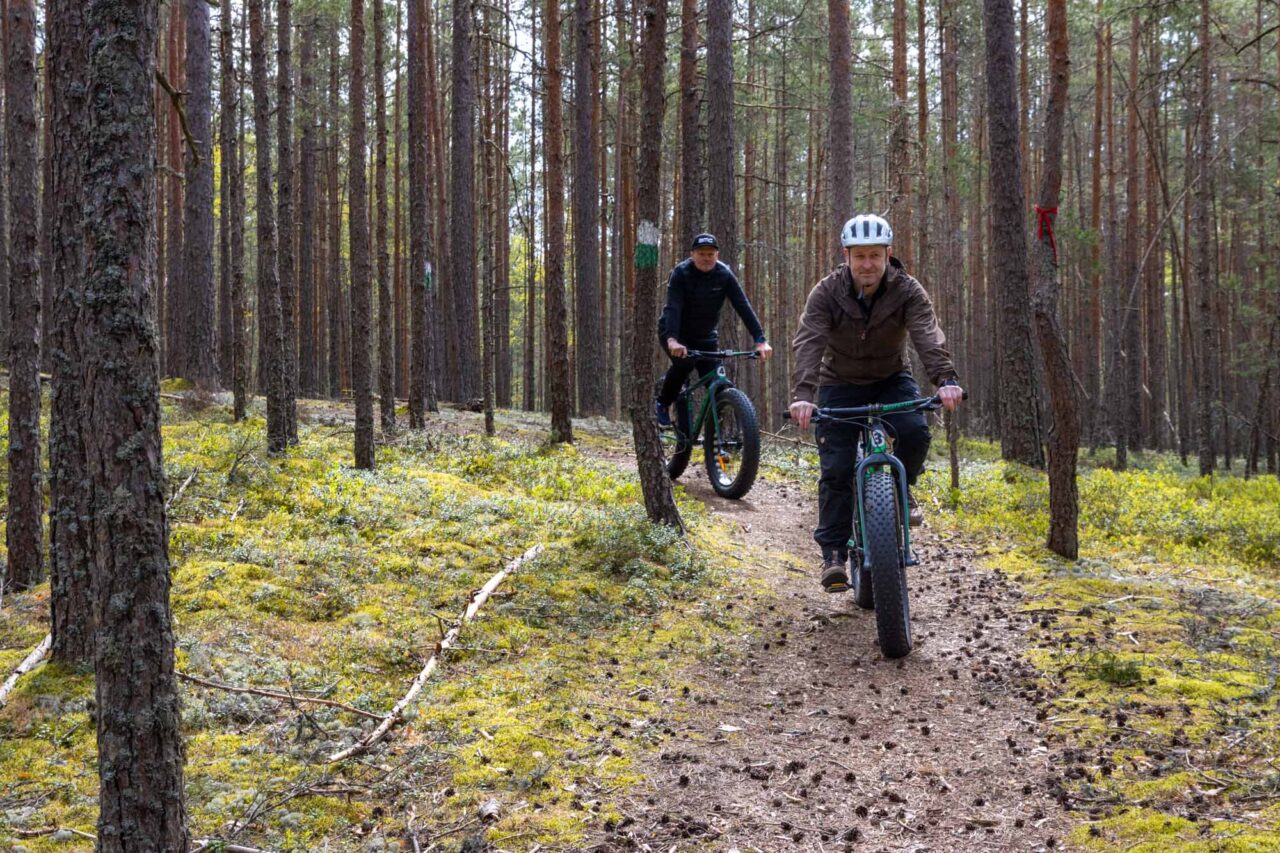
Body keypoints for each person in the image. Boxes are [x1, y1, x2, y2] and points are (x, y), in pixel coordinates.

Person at [789, 214, 964, 592]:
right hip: (839, 382)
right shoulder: (827, 292)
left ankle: (903, 489)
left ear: (888, 254)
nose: (867, 264)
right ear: (846, 256)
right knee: (836, 467)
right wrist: (803, 395)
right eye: (859, 256)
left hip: (891, 379)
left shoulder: (907, 290)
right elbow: (809, 341)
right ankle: (833, 555)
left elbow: (927, 334)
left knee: (915, 433)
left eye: (874, 256)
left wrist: (946, 380)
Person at [656, 233, 772, 426]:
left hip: (705, 336)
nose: (706, 258)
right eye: (701, 254)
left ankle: (715, 434)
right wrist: (672, 340)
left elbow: (743, 307)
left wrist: (760, 340)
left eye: (710, 254)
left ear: (717, 255)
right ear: (692, 254)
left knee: (718, 384)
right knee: (684, 365)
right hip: (675, 332)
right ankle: (663, 402)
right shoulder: (681, 273)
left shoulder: (724, 275)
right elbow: (673, 308)